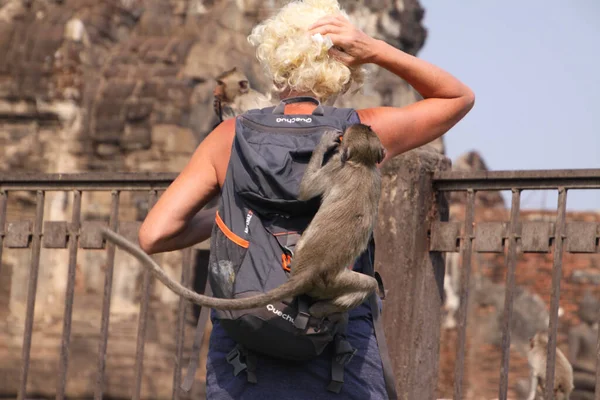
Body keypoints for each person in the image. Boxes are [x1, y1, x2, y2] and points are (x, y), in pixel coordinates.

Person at [138, 0, 475, 398]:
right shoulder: (363, 132)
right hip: (337, 352)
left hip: (246, 346)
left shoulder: (230, 137)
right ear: (343, 71)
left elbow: (154, 234)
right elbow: (458, 98)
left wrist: (238, 213)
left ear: (277, 64)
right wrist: (373, 47)